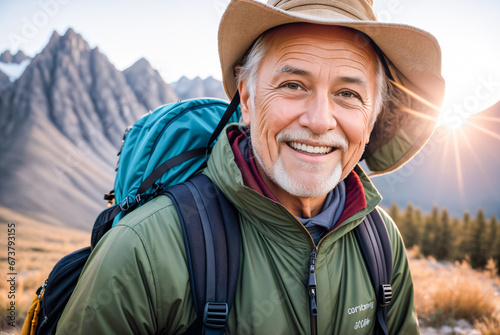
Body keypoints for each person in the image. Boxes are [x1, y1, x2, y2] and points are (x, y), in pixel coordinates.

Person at [57, 0, 445, 334]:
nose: (320, 120)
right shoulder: (144, 250)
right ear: (247, 97)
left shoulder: (381, 242)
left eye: (348, 94)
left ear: (372, 116)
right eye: (293, 85)